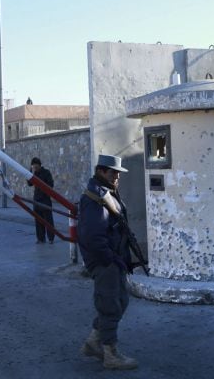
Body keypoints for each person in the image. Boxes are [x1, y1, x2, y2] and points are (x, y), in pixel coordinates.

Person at [77, 154, 138, 370]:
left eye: (118, 173)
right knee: (110, 305)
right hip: (106, 261)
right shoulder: (94, 197)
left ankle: (94, 342)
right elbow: (93, 236)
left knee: (120, 301)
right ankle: (110, 353)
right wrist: (109, 259)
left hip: (114, 258)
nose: (117, 176)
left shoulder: (106, 192)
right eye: (113, 172)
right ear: (101, 171)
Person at [27, 157, 55, 244]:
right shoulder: (33, 174)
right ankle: (40, 238)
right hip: (37, 200)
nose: (34, 168)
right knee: (38, 220)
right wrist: (29, 172)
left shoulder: (46, 173)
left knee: (48, 220)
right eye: (33, 167)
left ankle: (51, 238)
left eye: (35, 166)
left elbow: (51, 184)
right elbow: (29, 184)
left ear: (39, 165)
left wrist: (43, 189)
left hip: (45, 199)